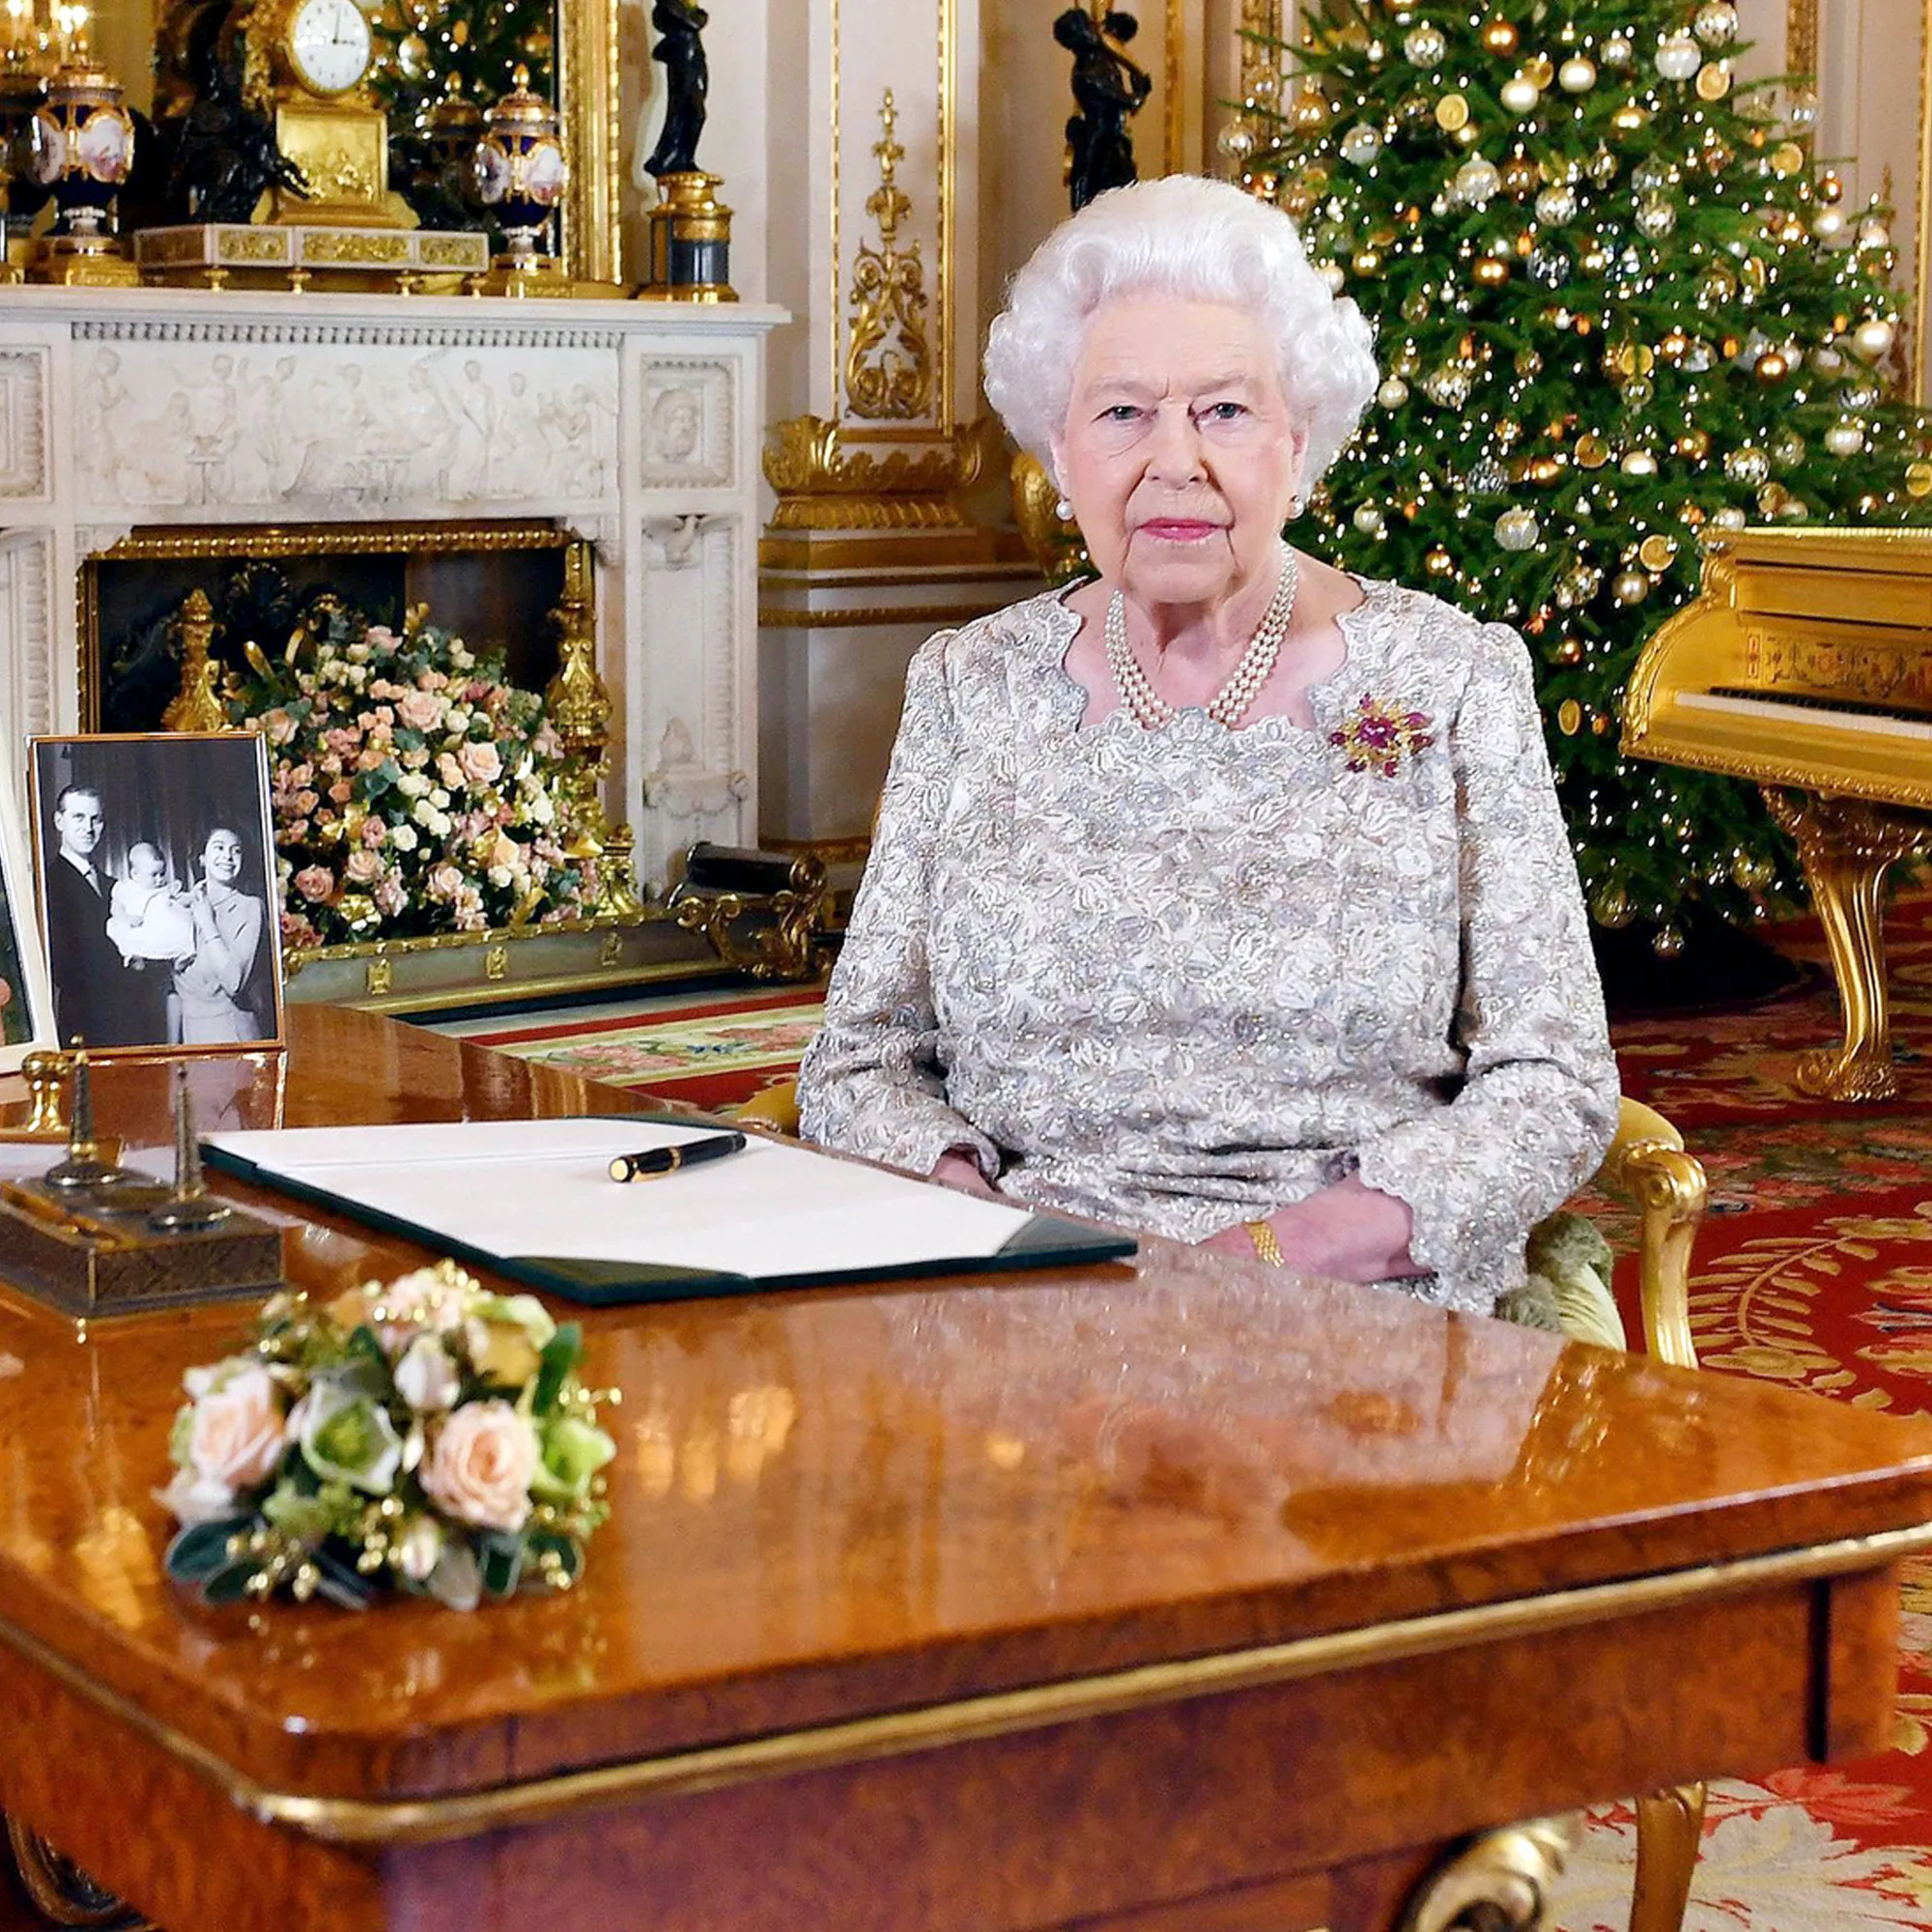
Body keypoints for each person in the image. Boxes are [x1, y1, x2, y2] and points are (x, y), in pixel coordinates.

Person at [796, 175, 1619, 1320]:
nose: (1173, 460)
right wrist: (969, 1215)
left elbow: (1554, 1082)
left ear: (1296, 440)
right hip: (1029, 1295)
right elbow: (856, 1064)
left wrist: (1275, 1257)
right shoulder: (965, 685)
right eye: (1122, 412)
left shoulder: (1451, 680)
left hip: (1352, 1306)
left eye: (1223, 412)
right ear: (1056, 448)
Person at [43, 782, 166, 1048]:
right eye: (78, 817)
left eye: (95, 819)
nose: (88, 828)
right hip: (84, 1027)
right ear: (59, 821)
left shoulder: (115, 886)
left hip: (130, 1026)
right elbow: (64, 968)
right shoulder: (47, 885)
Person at [170, 827, 266, 1045]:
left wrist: (207, 923)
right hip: (190, 1036)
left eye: (236, 851)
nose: (228, 857)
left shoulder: (249, 907)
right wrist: (171, 1049)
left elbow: (233, 982)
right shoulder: (178, 906)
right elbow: (171, 990)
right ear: (202, 857)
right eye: (219, 848)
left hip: (232, 1034)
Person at [106, 841, 197, 963]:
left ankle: (183, 955)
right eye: (154, 875)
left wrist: (192, 896)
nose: (159, 880)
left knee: (185, 922)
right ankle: (132, 955)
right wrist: (126, 918)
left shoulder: (164, 888)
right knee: (113, 926)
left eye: (162, 874)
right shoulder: (127, 888)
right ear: (135, 874)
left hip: (162, 928)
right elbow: (115, 907)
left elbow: (179, 898)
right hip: (140, 927)